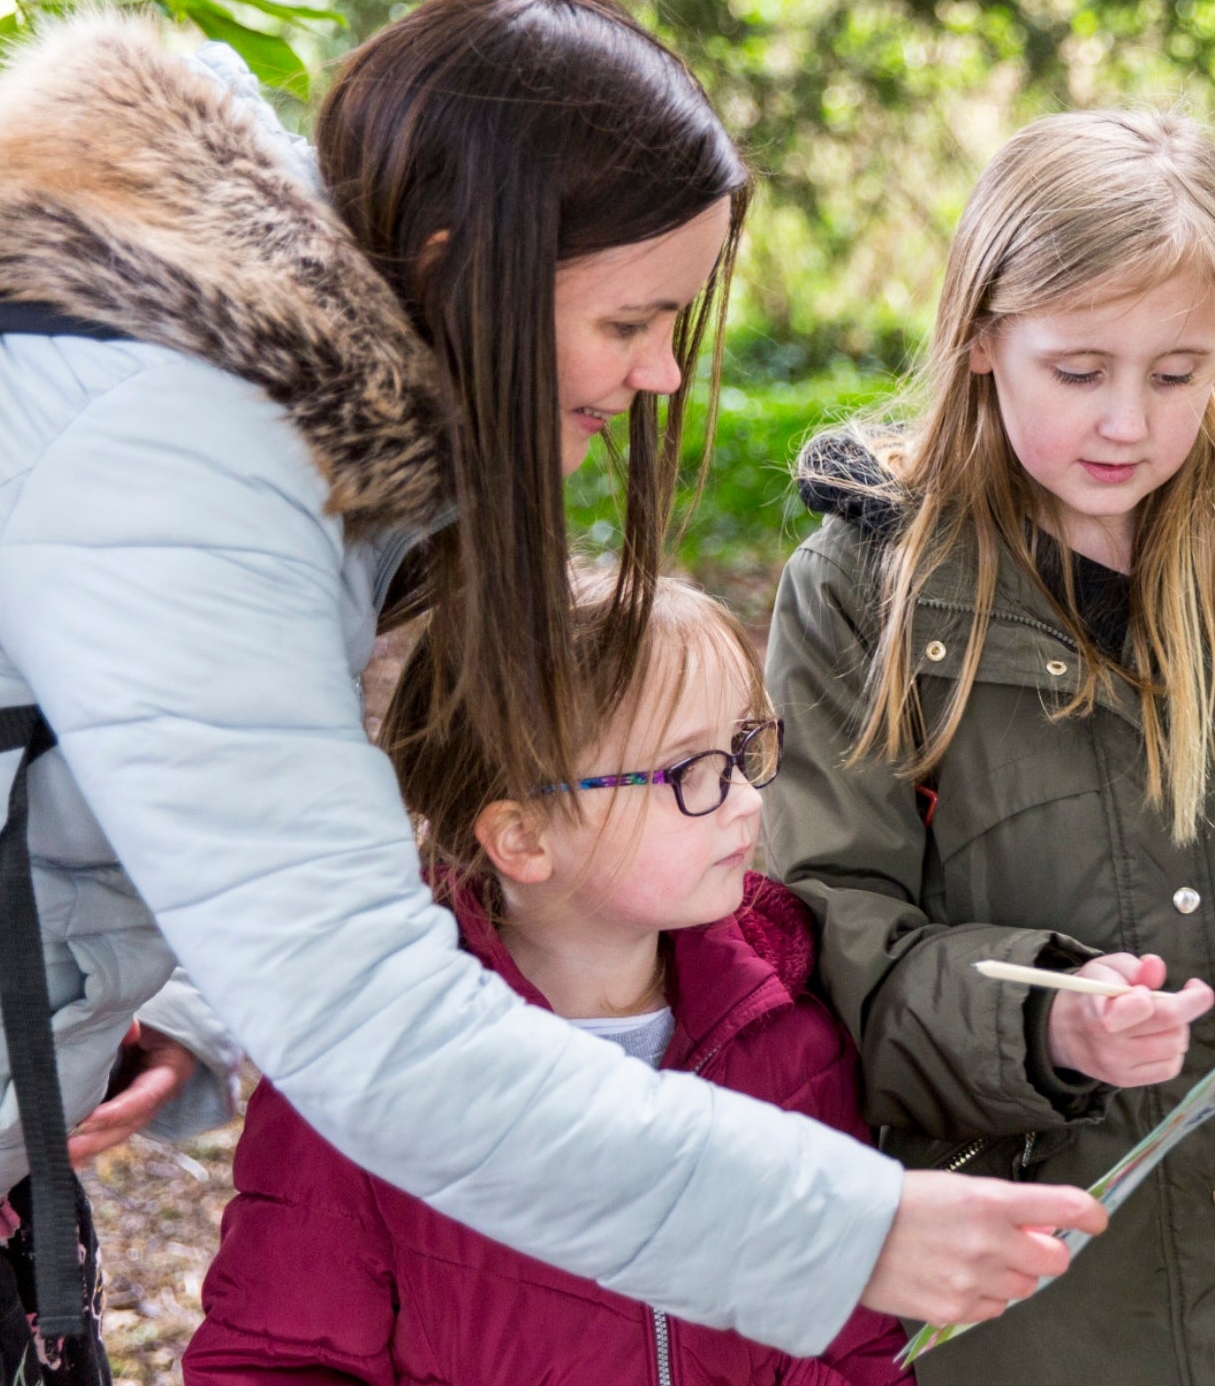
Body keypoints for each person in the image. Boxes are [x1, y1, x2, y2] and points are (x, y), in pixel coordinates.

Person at [0, 0, 1097, 1383]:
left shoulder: (230, 396)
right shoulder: (179, 447)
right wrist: (845, 1229)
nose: (660, 377)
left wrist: (164, 999)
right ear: (467, 274)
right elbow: (370, 1023)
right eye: (631, 322)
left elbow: (190, 793)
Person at [762, 110, 1215, 1386]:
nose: (1128, 425)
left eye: (1177, 373)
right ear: (984, 339)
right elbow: (825, 937)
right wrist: (1047, 1027)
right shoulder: (866, 586)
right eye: (1079, 371)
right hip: (1011, 1286)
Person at [188, 572, 908, 1385]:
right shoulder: (364, 1075)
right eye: (691, 772)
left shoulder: (790, 1037)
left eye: (744, 750)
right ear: (524, 838)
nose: (745, 800)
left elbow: (856, 1339)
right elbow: (275, 1362)